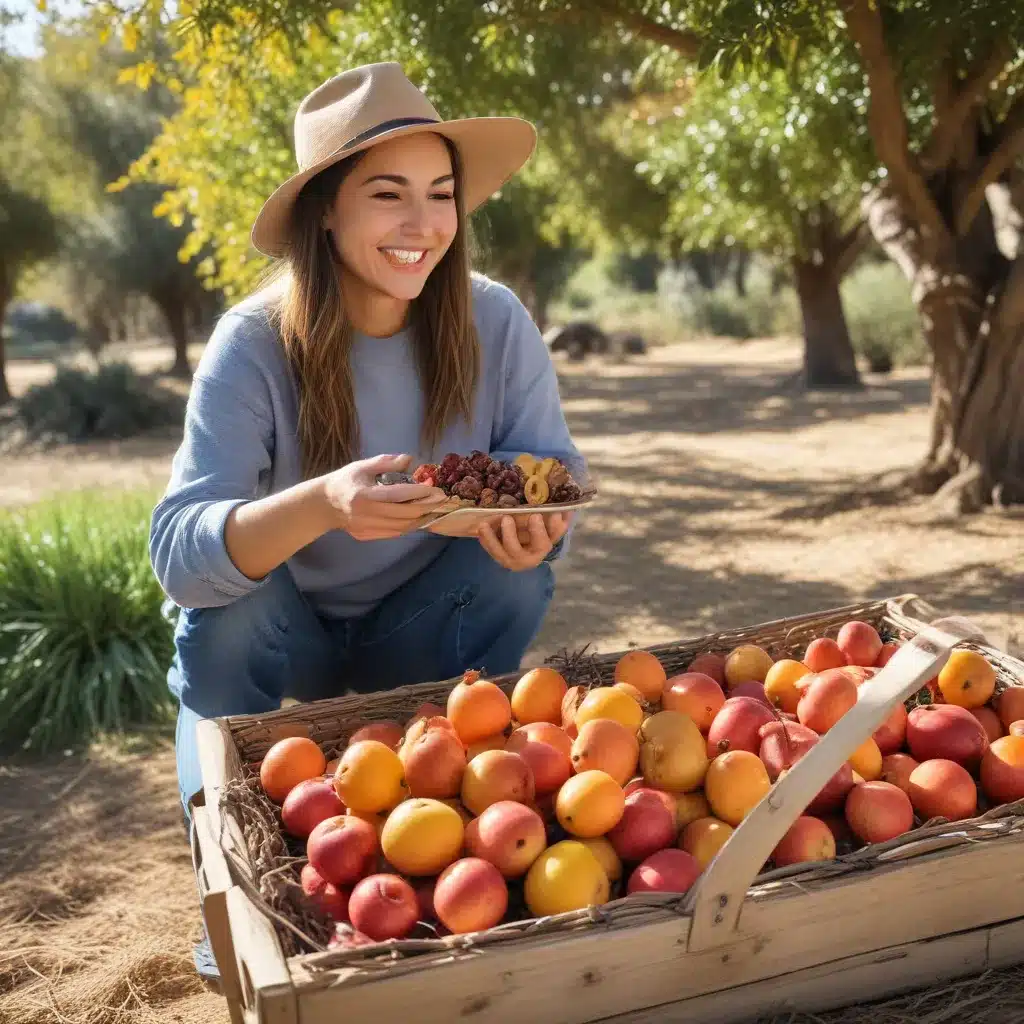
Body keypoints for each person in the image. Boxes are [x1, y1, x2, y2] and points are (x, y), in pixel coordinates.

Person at [150, 61, 587, 837]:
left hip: (417, 632)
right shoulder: (251, 345)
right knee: (225, 607)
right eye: (388, 195)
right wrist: (324, 505)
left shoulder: (496, 320)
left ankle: (456, 795)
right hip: (288, 641)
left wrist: (538, 532)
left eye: (440, 195)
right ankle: (226, 868)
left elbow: (553, 476)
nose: (423, 225)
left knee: (518, 583)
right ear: (324, 211)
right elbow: (180, 559)